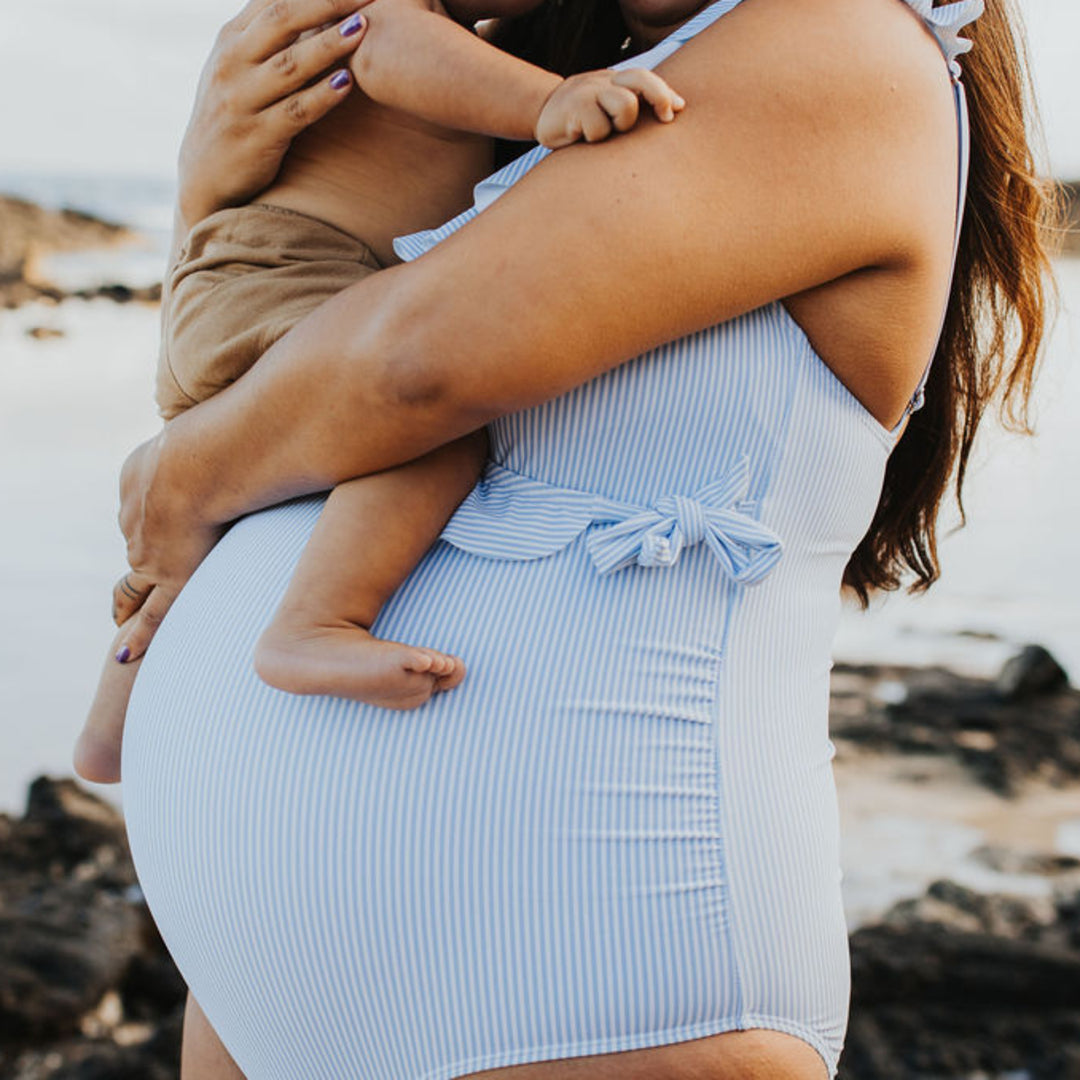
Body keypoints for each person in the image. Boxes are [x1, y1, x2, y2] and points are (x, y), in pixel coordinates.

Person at [114, 0, 1059, 1076]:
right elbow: (285, 372)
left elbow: (411, 365)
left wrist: (173, 479)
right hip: (265, 991)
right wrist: (217, 201)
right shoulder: (542, 83)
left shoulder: (841, 38)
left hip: (586, 976)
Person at [72, 0, 685, 786]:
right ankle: (314, 623)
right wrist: (547, 102)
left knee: (193, 547)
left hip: (246, 288)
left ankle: (110, 730)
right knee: (429, 433)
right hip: (296, 275)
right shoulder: (386, 17)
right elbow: (386, 47)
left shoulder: (461, 42)